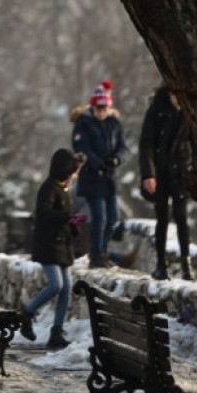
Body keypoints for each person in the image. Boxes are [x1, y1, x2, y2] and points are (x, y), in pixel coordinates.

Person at [20, 149, 87, 349]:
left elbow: (64, 216)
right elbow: (44, 213)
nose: (73, 177)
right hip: (49, 245)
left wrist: (74, 224)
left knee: (66, 290)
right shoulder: (49, 188)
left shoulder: (63, 190)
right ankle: (27, 313)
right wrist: (67, 218)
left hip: (63, 246)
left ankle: (56, 332)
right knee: (56, 285)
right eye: (72, 173)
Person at [71, 80, 129, 269]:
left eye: (104, 108)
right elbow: (82, 148)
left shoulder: (114, 123)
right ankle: (95, 255)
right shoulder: (83, 123)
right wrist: (98, 164)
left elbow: (123, 147)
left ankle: (103, 251)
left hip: (109, 178)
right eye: (98, 107)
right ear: (93, 106)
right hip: (92, 178)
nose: (101, 111)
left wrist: (116, 160)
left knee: (113, 218)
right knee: (99, 218)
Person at [139, 85, 194, 280]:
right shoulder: (156, 111)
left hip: (180, 172)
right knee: (161, 218)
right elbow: (146, 145)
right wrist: (148, 174)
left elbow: (194, 144)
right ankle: (160, 264)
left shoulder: (189, 112)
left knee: (181, 218)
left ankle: (186, 264)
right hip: (160, 173)